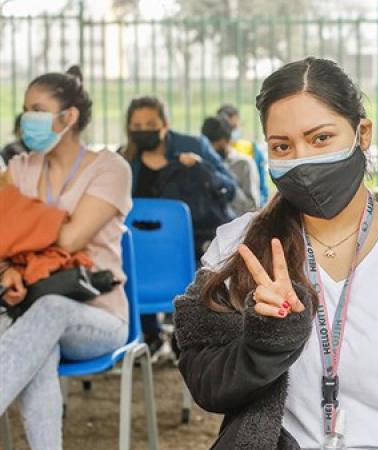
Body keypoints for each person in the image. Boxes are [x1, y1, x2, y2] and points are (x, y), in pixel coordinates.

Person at [174, 57, 378, 449]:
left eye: (320, 138)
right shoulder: (240, 247)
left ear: (362, 133)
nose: (302, 159)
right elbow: (207, 386)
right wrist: (266, 342)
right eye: (282, 146)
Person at [0, 66, 131, 449]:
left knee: (51, 310)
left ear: (68, 116)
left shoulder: (111, 169)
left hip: (99, 314)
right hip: (25, 305)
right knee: (40, 345)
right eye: (25, 110)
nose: (27, 119)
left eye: (37, 110)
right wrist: (7, 267)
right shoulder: (20, 169)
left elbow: (72, 239)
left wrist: (20, 219)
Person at [122, 96, 236, 353]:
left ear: (165, 124)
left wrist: (201, 167)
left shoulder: (194, 146)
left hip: (194, 247)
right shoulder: (126, 161)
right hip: (142, 253)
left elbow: (229, 189)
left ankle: (183, 332)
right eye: (137, 126)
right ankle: (150, 333)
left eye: (150, 124)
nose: (143, 131)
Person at [201, 116, 260, 216]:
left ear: (227, 140)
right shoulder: (204, 164)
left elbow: (252, 208)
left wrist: (229, 187)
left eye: (215, 145)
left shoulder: (244, 164)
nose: (211, 151)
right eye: (208, 147)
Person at [217, 104, 269, 205]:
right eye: (228, 127)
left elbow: (262, 187)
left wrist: (258, 205)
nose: (231, 131)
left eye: (234, 127)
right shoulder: (215, 152)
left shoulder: (252, 149)